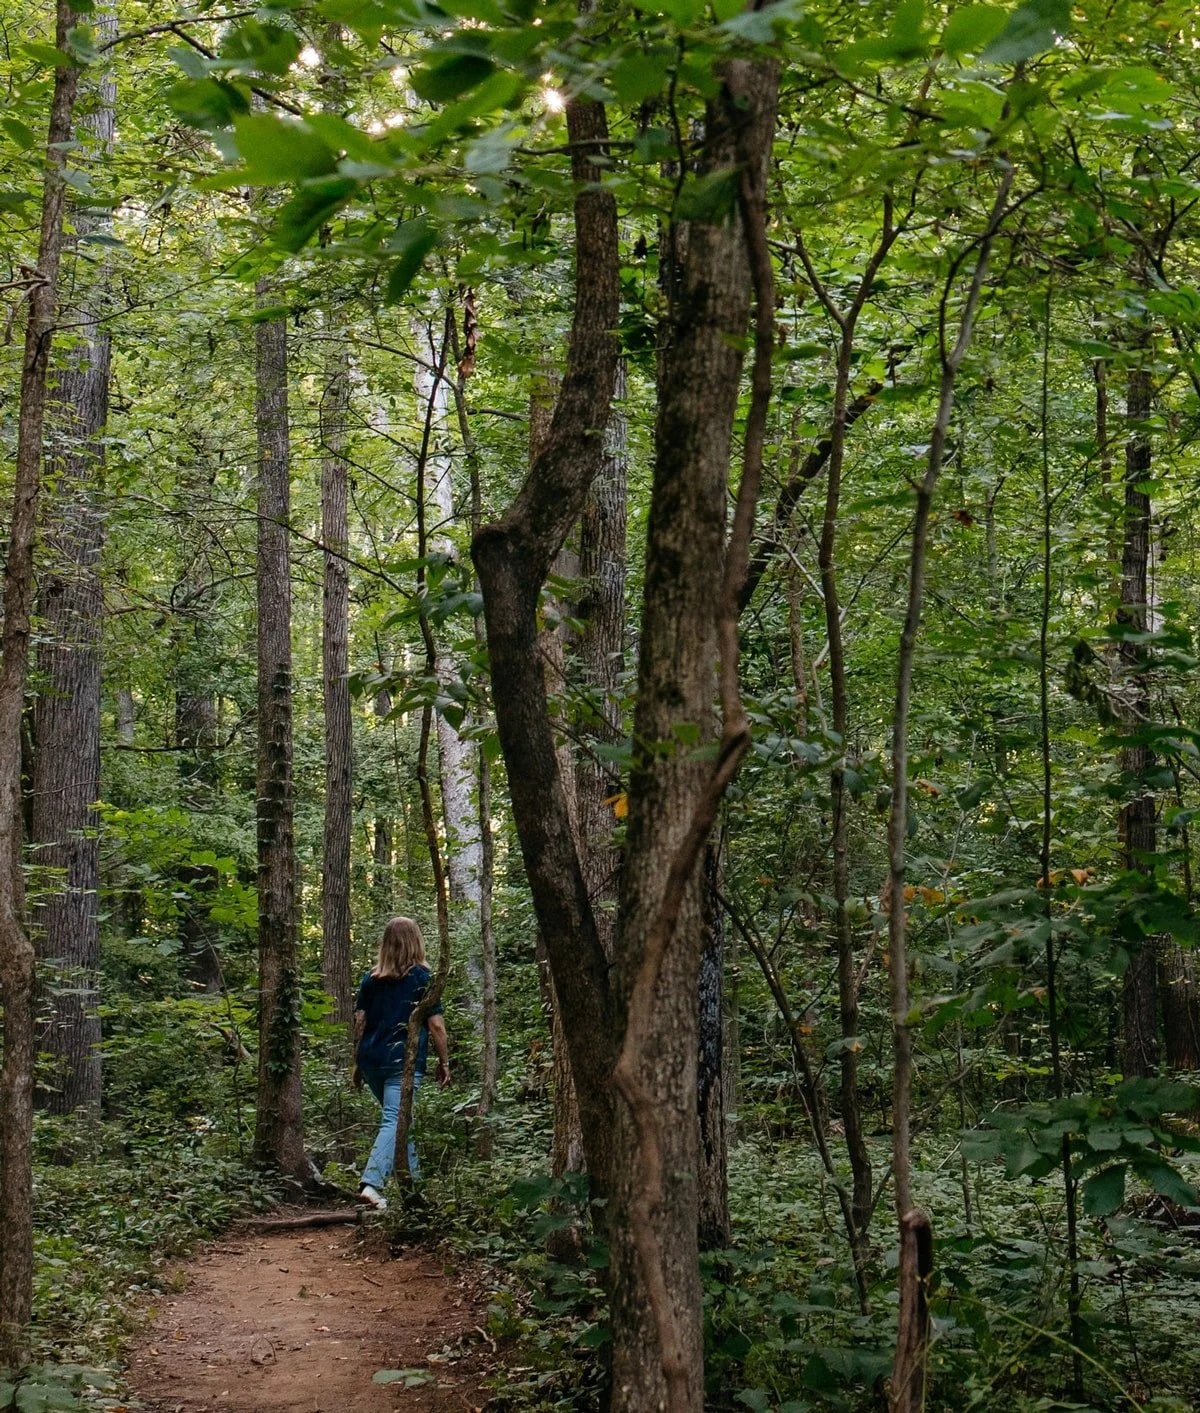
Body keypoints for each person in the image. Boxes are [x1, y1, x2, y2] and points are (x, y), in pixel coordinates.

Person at [352, 916, 450, 1211]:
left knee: (400, 1122)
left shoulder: (371, 979)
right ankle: (371, 1184)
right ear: (415, 941)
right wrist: (445, 1062)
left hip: (371, 1060)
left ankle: (414, 1195)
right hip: (400, 1061)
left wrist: (357, 1064)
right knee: (395, 1120)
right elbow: (436, 1026)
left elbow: (360, 1023)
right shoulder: (422, 978)